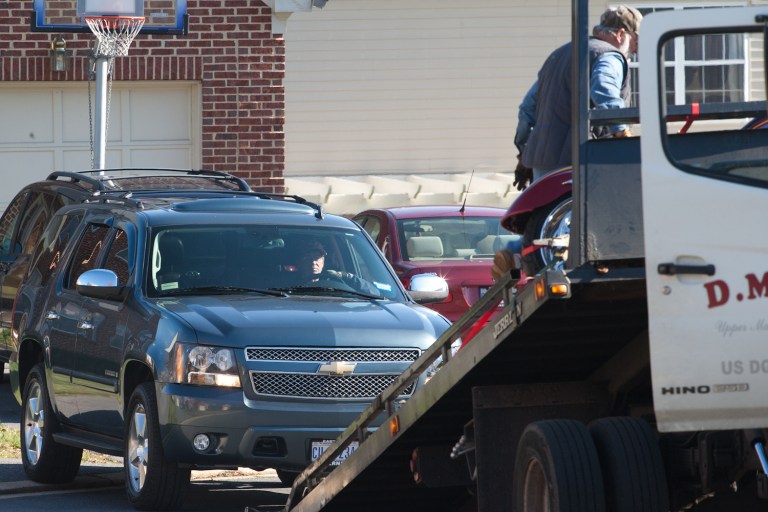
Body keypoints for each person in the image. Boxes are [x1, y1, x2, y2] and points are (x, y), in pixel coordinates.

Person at [513, 5, 643, 191]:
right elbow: (604, 90)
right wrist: (622, 133)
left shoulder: (559, 55)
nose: (635, 50)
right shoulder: (609, 56)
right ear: (621, 34)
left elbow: (527, 109)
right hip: (579, 163)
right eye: (636, 42)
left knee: (548, 218)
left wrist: (524, 155)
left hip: (541, 164)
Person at [295, 240, 378, 295]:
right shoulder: (288, 286)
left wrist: (347, 276)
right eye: (308, 258)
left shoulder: (337, 283)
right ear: (299, 262)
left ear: (323, 261)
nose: (313, 262)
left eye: (317, 258)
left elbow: (374, 293)